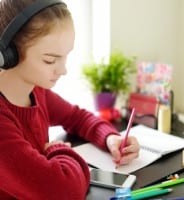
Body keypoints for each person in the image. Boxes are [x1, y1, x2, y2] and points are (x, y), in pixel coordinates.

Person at [0, 0, 140, 199]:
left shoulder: (37, 92)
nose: (63, 70)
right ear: (7, 54)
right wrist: (58, 150)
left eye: (65, 57)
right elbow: (64, 191)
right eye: (50, 60)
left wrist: (110, 138)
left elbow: (76, 117)